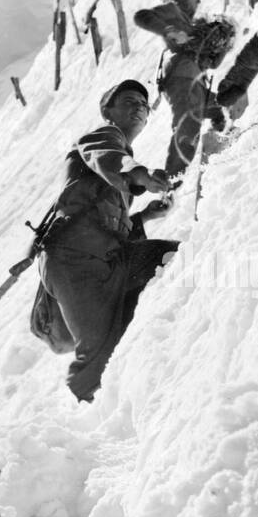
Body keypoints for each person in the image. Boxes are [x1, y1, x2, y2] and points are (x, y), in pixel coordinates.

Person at [33, 80, 178, 401]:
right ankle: (85, 415)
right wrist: (140, 175)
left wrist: (145, 217)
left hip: (106, 260)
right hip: (74, 260)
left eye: (143, 105)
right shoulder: (101, 137)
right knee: (98, 353)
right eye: (128, 101)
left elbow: (110, 229)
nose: (138, 107)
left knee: (170, 257)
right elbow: (111, 157)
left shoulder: (116, 167)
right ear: (108, 111)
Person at [133, 0, 234, 181]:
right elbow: (141, 16)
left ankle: (219, 154)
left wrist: (223, 46)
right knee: (188, 124)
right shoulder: (171, 10)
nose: (198, 0)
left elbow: (212, 63)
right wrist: (169, 30)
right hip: (181, 78)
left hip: (195, 81)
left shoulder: (192, 24)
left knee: (223, 107)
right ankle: (172, 182)